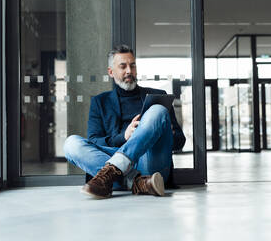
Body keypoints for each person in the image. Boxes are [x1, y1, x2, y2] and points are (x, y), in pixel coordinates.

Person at [63, 45, 186, 199]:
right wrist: (124, 137)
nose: (129, 70)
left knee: (157, 111)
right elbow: (94, 140)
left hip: (150, 160)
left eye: (132, 65)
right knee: (71, 144)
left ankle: (116, 174)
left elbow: (180, 141)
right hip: (112, 159)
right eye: (123, 66)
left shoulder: (158, 95)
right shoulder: (100, 102)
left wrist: (159, 132)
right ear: (111, 72)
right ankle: (137, 181)